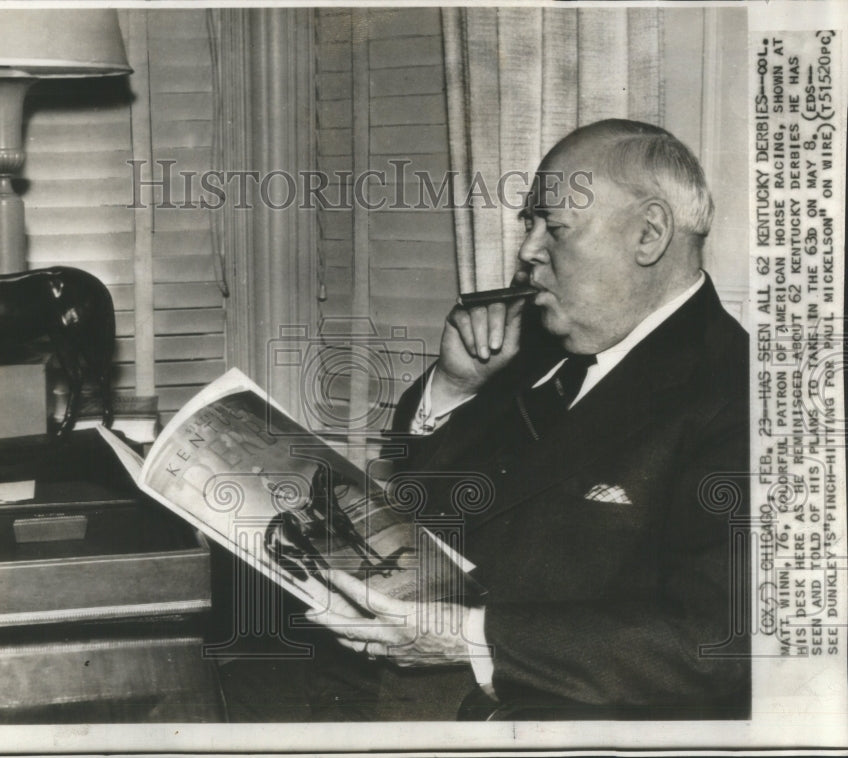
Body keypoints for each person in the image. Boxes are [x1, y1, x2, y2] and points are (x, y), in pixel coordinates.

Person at [306, 118, 751, 720]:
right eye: (529, 223)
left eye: (555, 228)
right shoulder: (527, 348)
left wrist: (467, 638)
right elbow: (413, 503)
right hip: (379, 679)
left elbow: (716, 646)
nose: (528, 250)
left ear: (648, 234)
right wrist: (454, 388)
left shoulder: (740, 396)